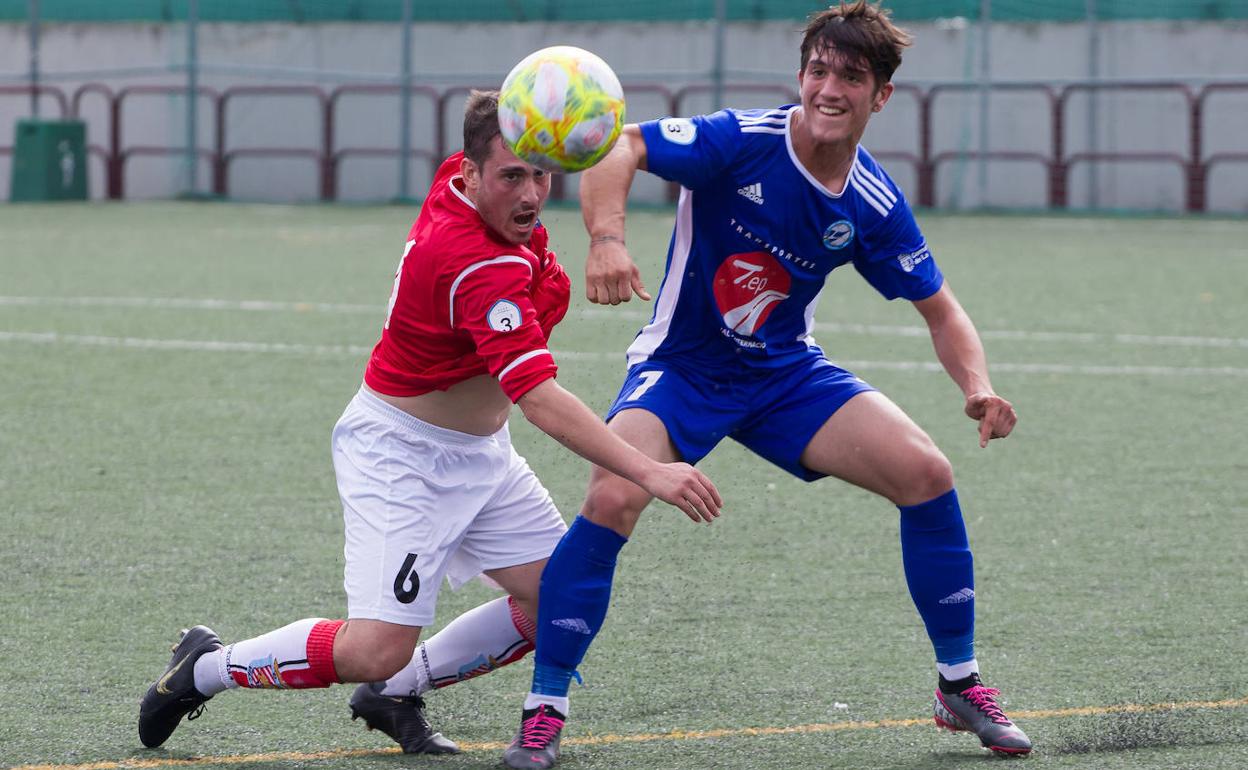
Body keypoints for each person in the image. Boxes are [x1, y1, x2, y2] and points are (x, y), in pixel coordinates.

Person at [500, 4, 1033, 768]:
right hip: (682, 366)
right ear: (800, 76)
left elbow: (942, 311)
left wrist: (978, 386)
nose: (828, 88)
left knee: (927, 473)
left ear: (880, 96)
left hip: (782, 372)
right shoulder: (740, 140)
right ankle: (544, 710)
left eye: (850, 76)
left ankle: (959, 683)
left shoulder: (871, 203)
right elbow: (621, 147)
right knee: (613, 494)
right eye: (818, 70)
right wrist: (608, 241)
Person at [138, 90, 721, 755]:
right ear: (470, 175)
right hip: (402, 456)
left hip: (481, 453)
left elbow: (495, 125)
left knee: (557, 599)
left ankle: (396, 692)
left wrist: (542, 108)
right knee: (373, 648)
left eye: (539, 173)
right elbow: (537, 395)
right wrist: (650, 471)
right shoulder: (478, 261)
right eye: (511, 176)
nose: (531, 193)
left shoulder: (464, 181)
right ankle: (204, 668)